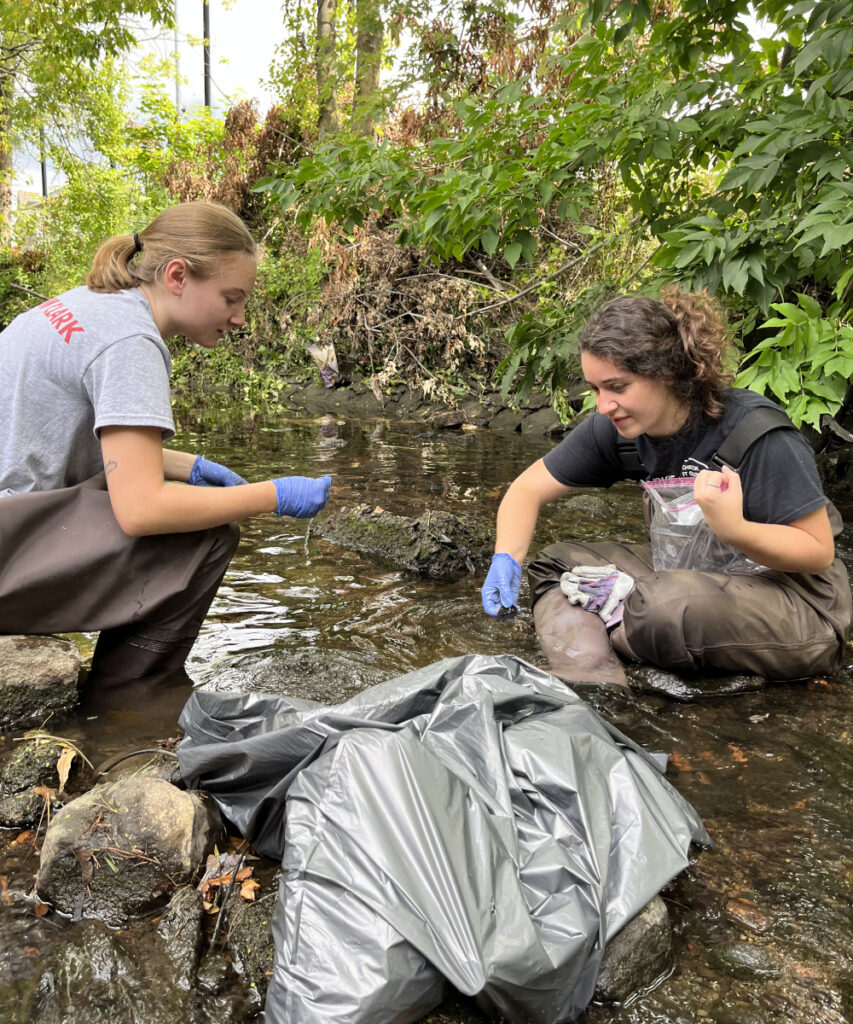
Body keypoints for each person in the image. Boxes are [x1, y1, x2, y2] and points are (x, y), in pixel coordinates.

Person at [0, 201, 332, 689]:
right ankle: (129, 699)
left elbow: (92, 444)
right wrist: (274, 495)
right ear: (177, 276)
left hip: (14, 525)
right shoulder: (130, 342)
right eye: (231, 298)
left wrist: (192, 466)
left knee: (187, 506)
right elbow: (141, 510)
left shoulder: (88, 306)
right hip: (9, 548)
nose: (239, 318)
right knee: (204, 535)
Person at [481, 289, 852, 686]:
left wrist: (735, 530)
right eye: (595, 389)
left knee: (660, 603)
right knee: (557, 563)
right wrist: (506, 559)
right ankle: (590, 673)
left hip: (800, 604)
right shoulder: (617, 430)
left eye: (618, 387)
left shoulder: (757, 435)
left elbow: (816, 552)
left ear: (668, 374)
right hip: (688, 575)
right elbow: (526, 490)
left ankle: (620, 625)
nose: (603, 405)